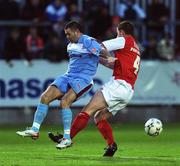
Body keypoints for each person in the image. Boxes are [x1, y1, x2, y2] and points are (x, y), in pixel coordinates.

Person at [49, 21, 141, 157]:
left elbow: (100, 46)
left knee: (88, 110)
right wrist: (97, 58)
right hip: (128, 91)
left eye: (117, 33)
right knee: (99, 117)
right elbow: (112, 65)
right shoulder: (135, 48)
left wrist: (89, 45)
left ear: (121, 32)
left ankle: (67, 138)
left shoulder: (123, 40)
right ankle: (111, 145)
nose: (117, 36)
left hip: (118, 85)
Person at [16, 20, 111, 149]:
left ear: (77, 32)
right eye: (65, 34)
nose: (67, 37)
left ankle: (67, 138)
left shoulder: (87, 41)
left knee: (65, 102)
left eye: (68, 34)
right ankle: (35, 129)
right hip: (68, 76)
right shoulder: (70, 45)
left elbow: (101, 51)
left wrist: (109, 57)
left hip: (83, 80)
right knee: (45, 97)